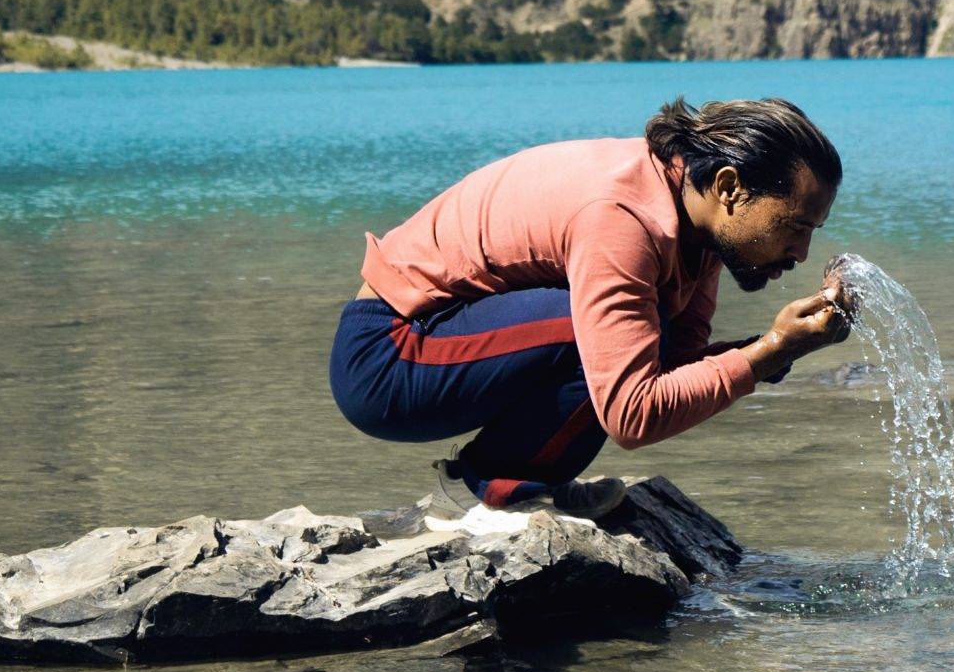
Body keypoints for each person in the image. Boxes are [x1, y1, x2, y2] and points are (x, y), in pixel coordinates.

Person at [330, 96, 851, 518]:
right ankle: (482, 490)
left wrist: (775, 351)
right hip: (389, 359)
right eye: (795, 226)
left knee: (642, 340)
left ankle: (526, 483)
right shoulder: (621, 219)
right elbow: (632, 414)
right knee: (598, 339)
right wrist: (771, 350)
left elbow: (669, 369)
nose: (801, 253)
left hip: (448, 345)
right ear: (730, 187)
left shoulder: (696, 223)